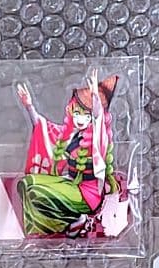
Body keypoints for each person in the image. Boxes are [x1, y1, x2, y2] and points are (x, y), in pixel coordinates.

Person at [16, 70, 121, 237]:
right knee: (26, 183)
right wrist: (29, 106)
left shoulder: (98, 141)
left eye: (86, 115)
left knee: (36, 193)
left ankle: (75, 220)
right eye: (77, 113)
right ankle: (39, 233)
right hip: (72, 184)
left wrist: (95, 96)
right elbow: (44, 129)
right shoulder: (72, 135)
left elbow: (98, 117)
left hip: (88, 195)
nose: (80, 119)